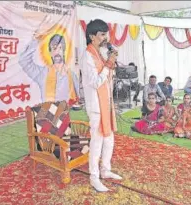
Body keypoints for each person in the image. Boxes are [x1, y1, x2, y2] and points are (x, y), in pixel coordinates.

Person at [80, 19, 122, 192]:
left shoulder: (100, 52)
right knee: (97, 142)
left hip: (107, 103)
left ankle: (106, 170)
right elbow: (96, 82)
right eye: (102, 34)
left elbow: (107, 77)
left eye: (107, 33)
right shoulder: (87, 55)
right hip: (96, 106)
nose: (106, 37)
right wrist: (109, 64)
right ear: (92, 36)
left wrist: (111, 63)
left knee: (109, 139)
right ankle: (94, 177)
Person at [19, 18, 79, 103]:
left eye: (60, 48)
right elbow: (23, 60)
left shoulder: (72, 76)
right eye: (54, 48)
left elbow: (77, 99)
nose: (57, 51)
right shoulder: (42, 73)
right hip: (49, 115)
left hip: (70, 115)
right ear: (50, 52)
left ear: (64, 51)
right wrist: (37, 38)